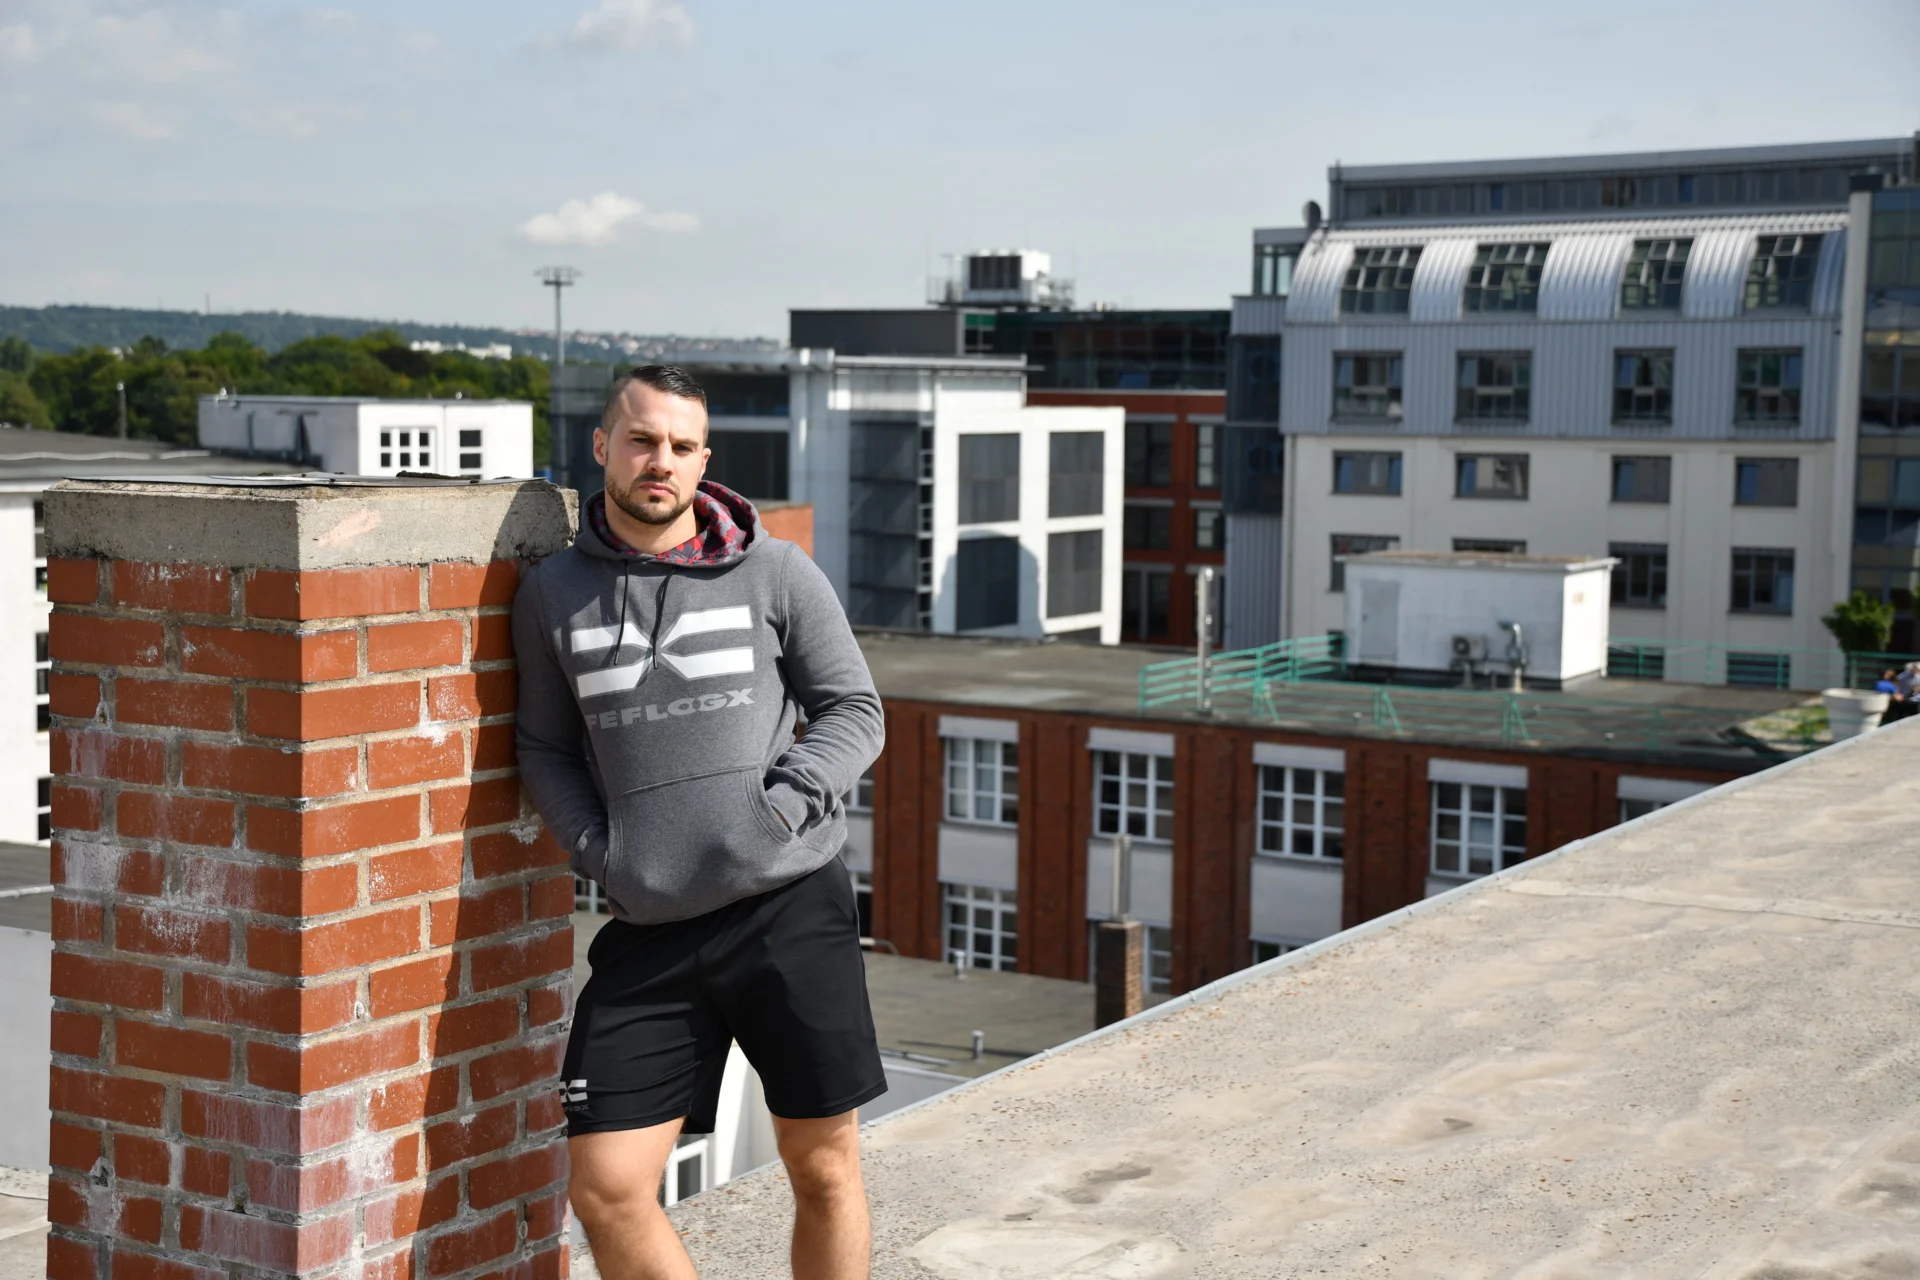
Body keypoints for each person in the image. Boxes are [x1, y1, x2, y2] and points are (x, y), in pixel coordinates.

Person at [512, 364, 887, 1280]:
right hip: (653, 925)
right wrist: (603, 853)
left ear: (703, 459)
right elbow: (544, 749)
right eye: (642, 440)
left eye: (681, 446)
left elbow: (855, 710)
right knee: (605, 1185)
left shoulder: (775, 570)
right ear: (602, 447)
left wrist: (784, 806)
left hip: (787, 904)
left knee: (824, 1165)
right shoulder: (553, 594)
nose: (660, 462)